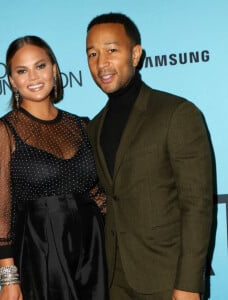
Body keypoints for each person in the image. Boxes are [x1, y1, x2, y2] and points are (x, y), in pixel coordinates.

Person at [86, 13, 213, 300]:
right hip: (115, 280)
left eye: (111, 50)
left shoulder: (176, 113)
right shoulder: (94, 126)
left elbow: (197, 205)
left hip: (167, 279)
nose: (101, 62)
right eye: (92, 53)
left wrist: (190, 284)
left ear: (135, 54)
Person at [0, 35, 108, 300]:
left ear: (54, 69)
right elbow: (1, 210)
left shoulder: (83, 126)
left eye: (40, 66)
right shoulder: (3, 131)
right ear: (12, 81)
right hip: (41, 252)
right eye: (22, 71)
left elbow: (99, 195)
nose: (33, 77)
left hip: (94, 248)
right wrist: (8, 280)